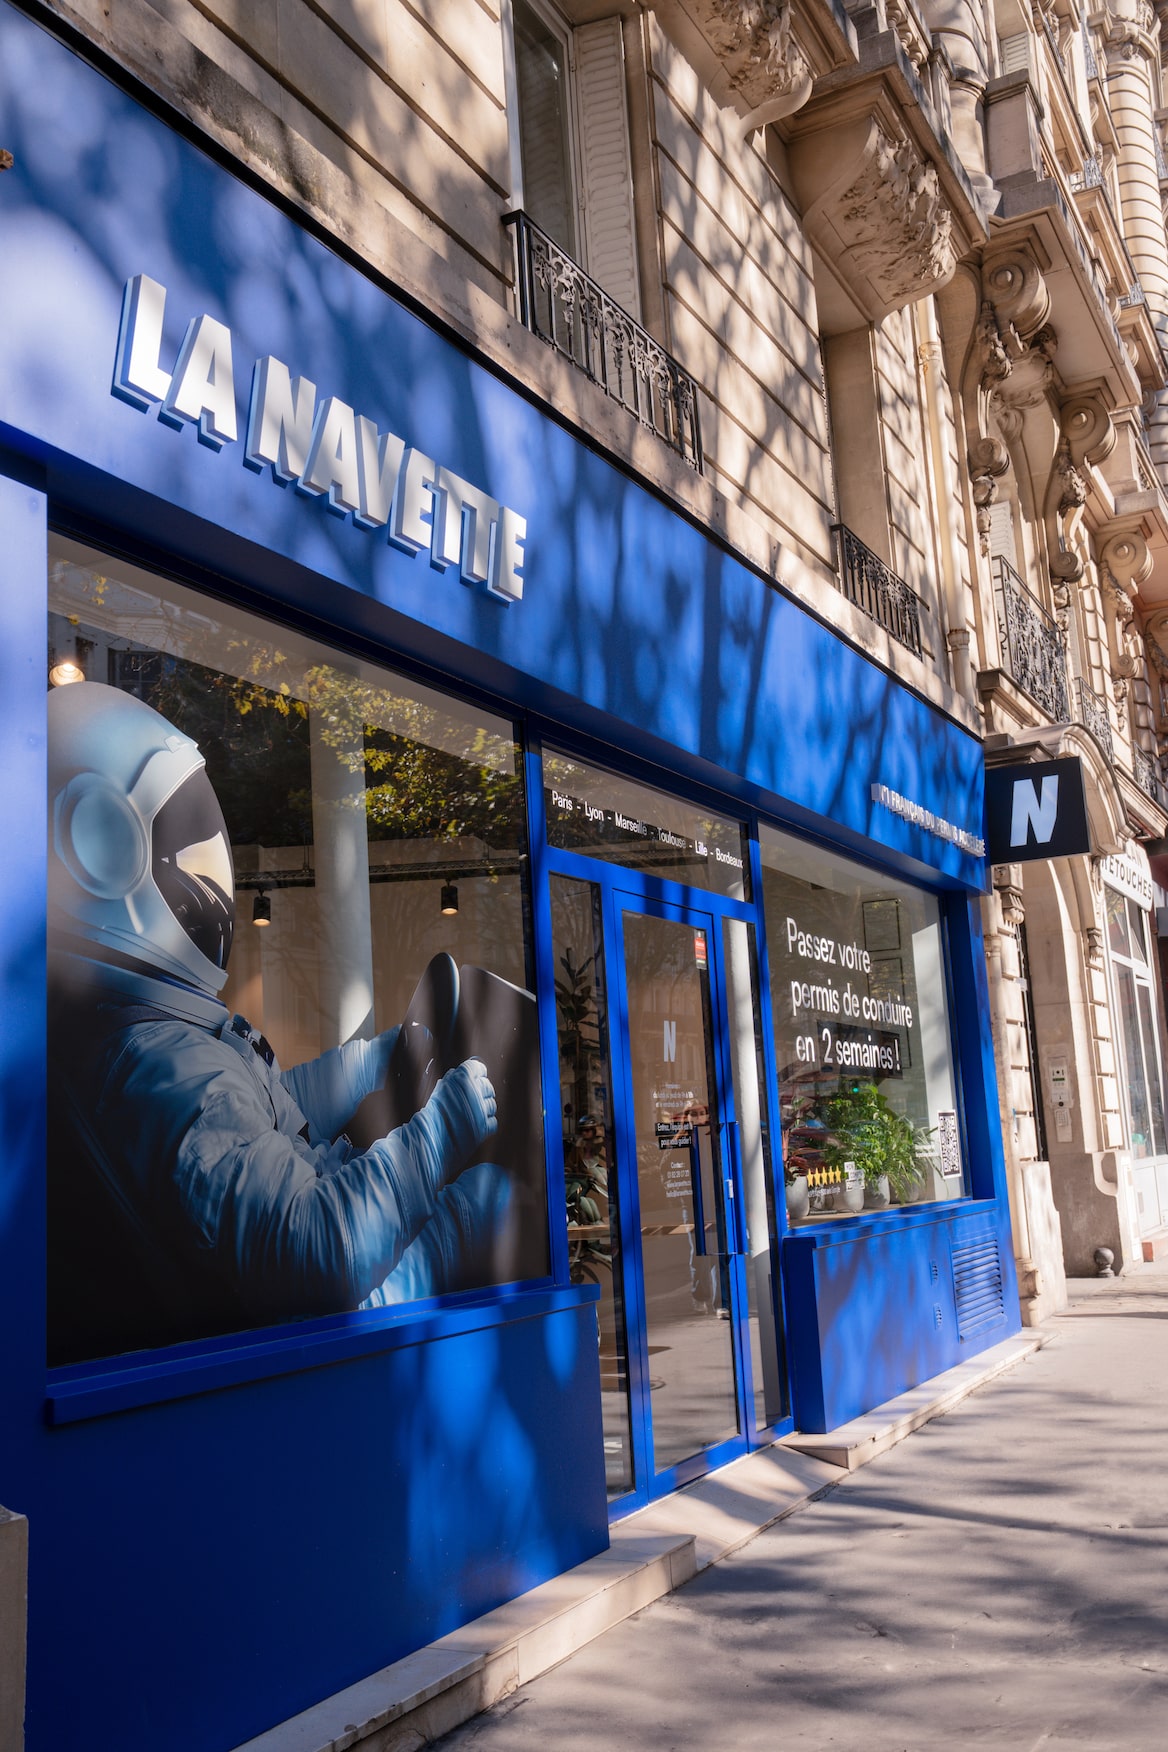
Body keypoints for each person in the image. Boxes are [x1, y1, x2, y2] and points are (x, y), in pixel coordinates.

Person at [47, 680, 510, 1365]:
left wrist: (368, 1064)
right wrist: (443, 1132)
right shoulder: (155, 1064)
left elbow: (258, 1120)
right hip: (322, 1326)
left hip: (278, 1298)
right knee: (494, 1197)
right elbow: (316, 1248)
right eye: (192, 855)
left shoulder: (137, 1036)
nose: (214, 884)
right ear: (100, 847)